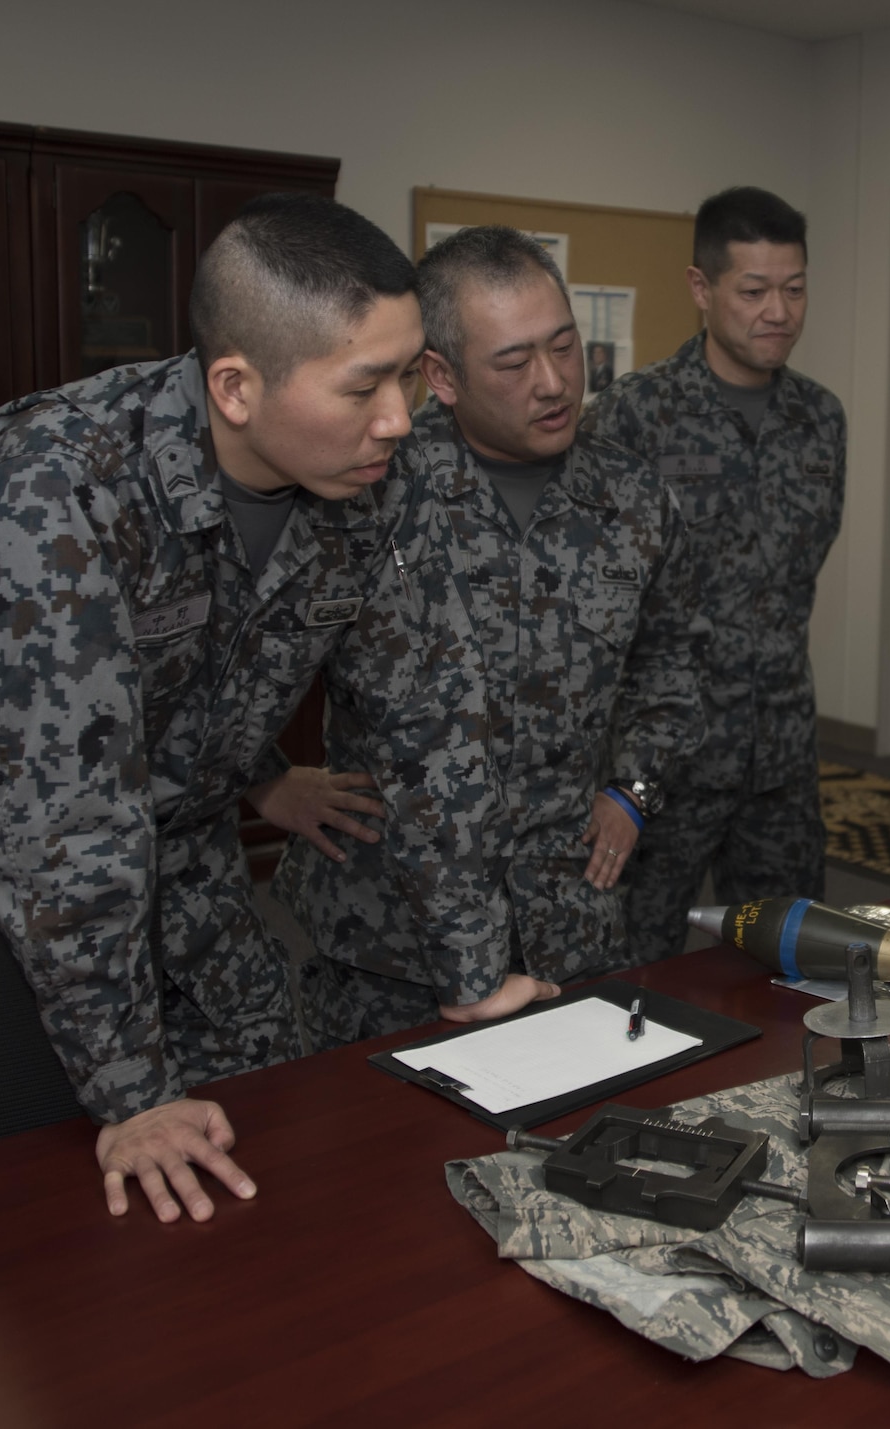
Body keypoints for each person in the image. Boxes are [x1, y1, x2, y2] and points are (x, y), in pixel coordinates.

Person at [0, 194, 439, 1225]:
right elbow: (63, 817)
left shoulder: (364, 473)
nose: (400, 416)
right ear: (236, 386)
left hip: (180, 838)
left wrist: (468, 958)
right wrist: (133, 1095)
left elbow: (394, 700)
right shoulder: (53, 480)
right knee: (21, 1179)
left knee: (275, 1105)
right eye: (366, 384)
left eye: (410, 373)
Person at [270, 225, 704, 1041]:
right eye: (513, 362)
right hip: (387, 937)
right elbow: (230, 663)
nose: (553, 383)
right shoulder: (366, 490)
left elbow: (675, 666)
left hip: (566, 917)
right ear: (441, 375)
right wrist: (262, 780)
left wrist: (634, 791)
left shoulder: (636, 502)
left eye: (565, 348)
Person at [584, 186, 845, 964]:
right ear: (702, 288)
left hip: (781, 758)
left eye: (794, 289)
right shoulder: (635, 416)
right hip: (664, 766)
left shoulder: (820, 418)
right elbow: (604, 600)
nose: (779, 311)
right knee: (637, 968)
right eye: (755, 290)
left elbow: (802, 569)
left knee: (788, 967)